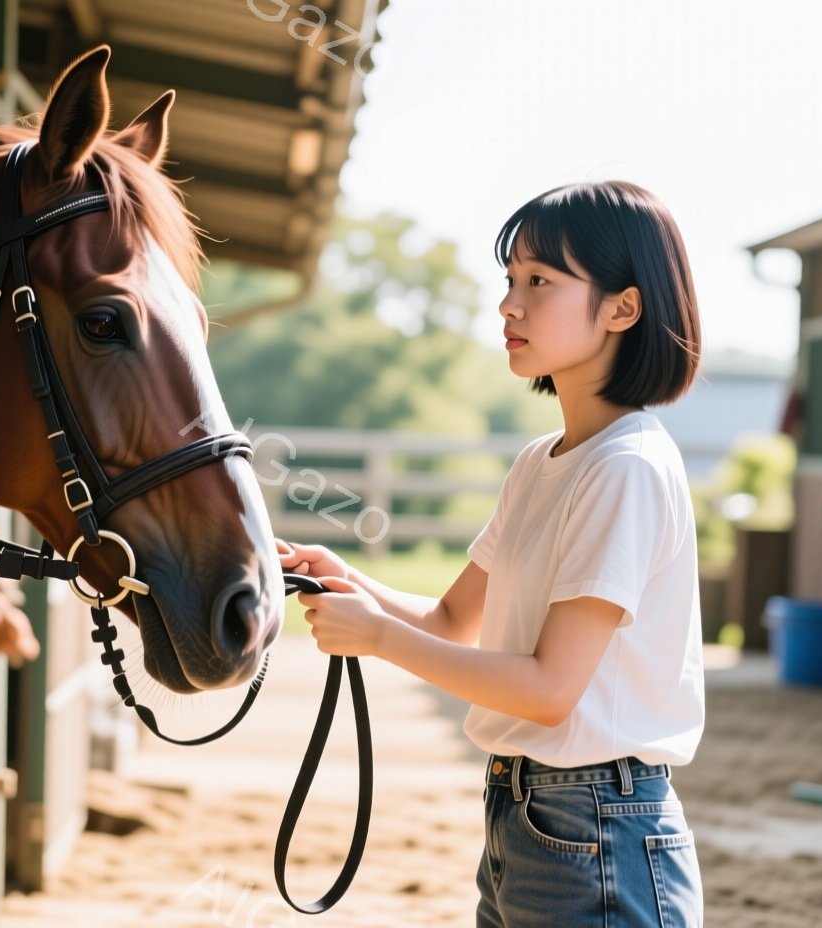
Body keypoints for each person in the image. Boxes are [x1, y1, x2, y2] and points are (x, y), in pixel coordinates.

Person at [285, 180, 706, 927]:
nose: (509, 305)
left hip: (597, 825)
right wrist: (350, 582)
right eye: (510, 280)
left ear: (623, 307)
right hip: (528, 815)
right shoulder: (542, 462)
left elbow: (548, 688)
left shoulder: (626, 469)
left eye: (539, 281)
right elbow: (451, 619)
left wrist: (376, 638)